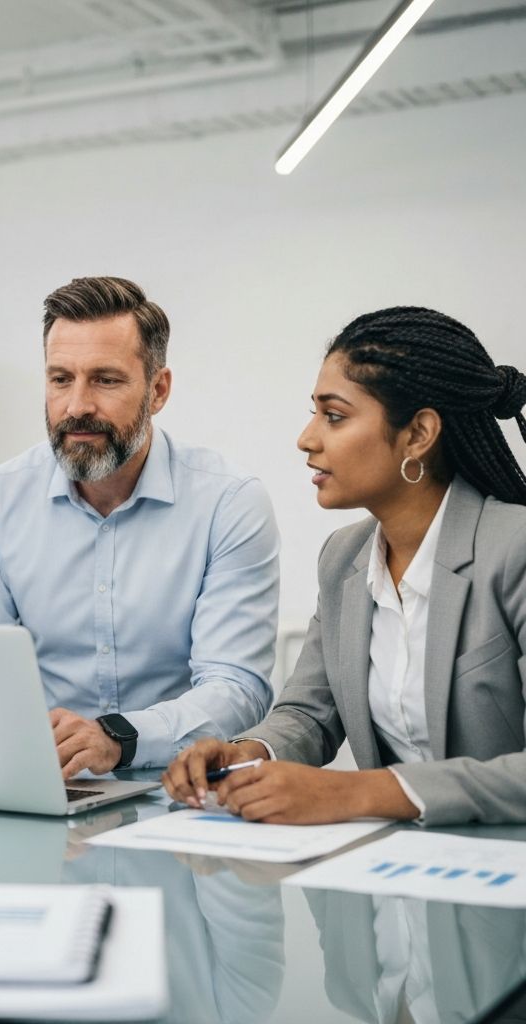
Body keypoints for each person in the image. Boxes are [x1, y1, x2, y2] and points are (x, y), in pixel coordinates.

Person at [164, 306, 526, 826]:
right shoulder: (343, 559)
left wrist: (355, 793)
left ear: (419, 433)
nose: (307, 438)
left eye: (334, 416)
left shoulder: (514, 549)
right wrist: (247, 753)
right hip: (394, 878)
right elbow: (310, 713)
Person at [0, 276, 280, 777]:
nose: (77, 405)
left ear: (158, 389)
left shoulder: (229, 502)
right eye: (60, 379)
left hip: (178, 790)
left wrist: (119, 738)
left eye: (105, 380)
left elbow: (236, 686)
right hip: (42, 780)